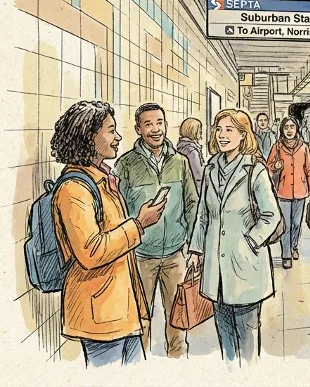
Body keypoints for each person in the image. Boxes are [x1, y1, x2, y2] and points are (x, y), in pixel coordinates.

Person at [50, 101, 166, 367]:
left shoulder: (101, 179)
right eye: (111, 131)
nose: (118, 137)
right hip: (99, 317)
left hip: (121, 313)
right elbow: (91, 252)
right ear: (89, 137)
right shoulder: (74, 189)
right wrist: (139, 224)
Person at [187, 109, 280, 365]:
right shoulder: (211, 169)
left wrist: (250, 241)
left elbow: (271, 216)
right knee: (224, 331)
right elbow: (203, 215)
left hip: (245, 266)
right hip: (215, 270)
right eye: (219, 129)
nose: (222, 135)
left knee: (247, 332)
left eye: (229, 130)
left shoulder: (254, 170)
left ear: (243, 135)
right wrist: (196, 251)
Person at [113, 103, 199, 359]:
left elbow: (192, 203)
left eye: (159, 122)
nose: (155, 129)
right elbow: (118, 210)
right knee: (140, 318)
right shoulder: (125, 165)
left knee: (178, 318)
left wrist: (193, 246)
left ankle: (177, 363)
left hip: (175, 255)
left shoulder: (180, 162)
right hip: (140, 256)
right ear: (139, 129)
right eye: (148, 124)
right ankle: (142, 369)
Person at [267, 117, 310, 269]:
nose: (289, 130)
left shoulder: (304, 148)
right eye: (286, 127)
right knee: (286, 225)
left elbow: (309, 168)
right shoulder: (277, 147)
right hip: (283, 191)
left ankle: (294, 245)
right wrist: (275, 165)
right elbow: (268, 166)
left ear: (297, 129)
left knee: (297, 223)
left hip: (301, 191)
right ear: (282, 130)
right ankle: (286, 255)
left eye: (292, 127)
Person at [177, 117, 205, 191]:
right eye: (200, 131)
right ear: (193, 132)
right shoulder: (192, 151)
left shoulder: (181, 146)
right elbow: (199, 176)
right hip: (196, 189)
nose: (201, 134)